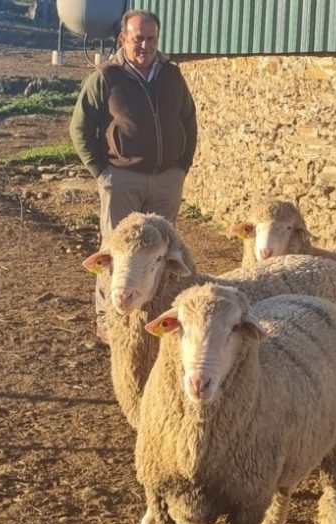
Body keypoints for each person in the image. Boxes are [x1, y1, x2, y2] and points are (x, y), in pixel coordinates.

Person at [70, 9, 198, 343]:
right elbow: (80, 127)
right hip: (122, 179)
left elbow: (189, 119)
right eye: (137, 38)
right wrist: (103, 172)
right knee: (116, 252)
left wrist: (182, 166)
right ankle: (108, 321)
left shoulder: (171, 75)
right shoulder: (106, 77)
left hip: (166, 180)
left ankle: (152, 312)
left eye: (150, 38)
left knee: (159, 252)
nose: (145, 45)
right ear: (123, 38)